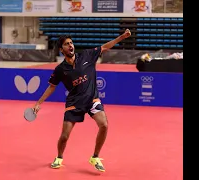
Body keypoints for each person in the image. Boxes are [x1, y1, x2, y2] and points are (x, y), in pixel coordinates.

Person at [33, 29, 131, 172]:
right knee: (65, 136)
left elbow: (105, 47)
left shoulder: (87, 55)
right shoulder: (60, 69)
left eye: (71, 43)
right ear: (61, 49)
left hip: (92, 99)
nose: (70, 45)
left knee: (104, 124)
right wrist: (38, 103)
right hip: (74, 103)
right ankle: (59, 157)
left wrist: (121, 37)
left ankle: (95, 156)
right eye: (67, 44)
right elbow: (51, 87)